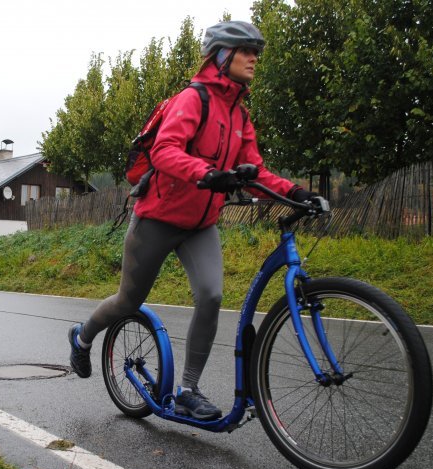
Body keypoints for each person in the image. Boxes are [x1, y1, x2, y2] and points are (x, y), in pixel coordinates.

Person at [67, 21, 324, 420]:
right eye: (246, 50)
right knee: (128, 300)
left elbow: (256, 170)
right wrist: (205, 173)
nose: (255, 58)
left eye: (257, 51)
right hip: (157, 219)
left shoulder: (240, 115)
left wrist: (295, 193)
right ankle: (82, 339)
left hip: (201, 224)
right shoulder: (193, 99)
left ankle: (188, 389)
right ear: (222, 55)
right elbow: (166, 151)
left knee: (212, 296)